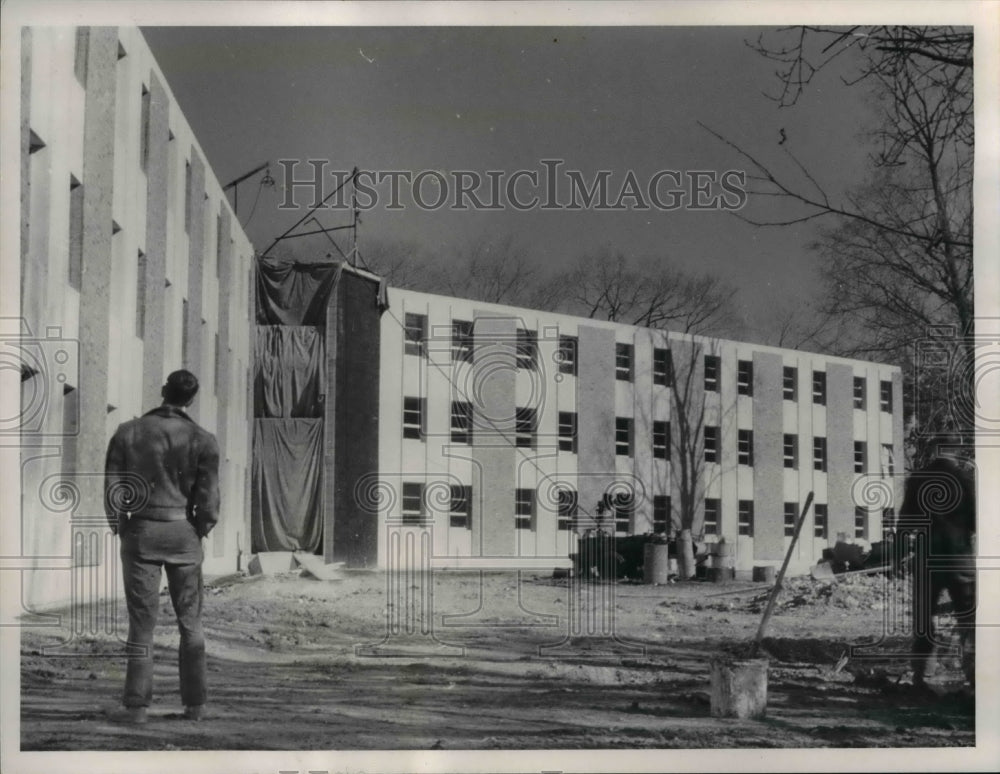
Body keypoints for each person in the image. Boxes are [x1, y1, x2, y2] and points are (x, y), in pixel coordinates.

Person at [104, 370, 220, 724]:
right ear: (191, 400)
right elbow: (209, 499)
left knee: (142, 623)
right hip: (182, 533)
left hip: (140, 531)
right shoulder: (203, 439)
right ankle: (195, 706)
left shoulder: (128, 431)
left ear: (161, 391)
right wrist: (199, 529)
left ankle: (137, 709)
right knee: (191, 621)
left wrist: (121, 525)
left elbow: (113, 488)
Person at [897, 438, 976, 691]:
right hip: (959, 558)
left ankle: (924, 675)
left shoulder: (919, 479)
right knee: (969, 617)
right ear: (956, 452)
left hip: (927, 558)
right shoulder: (965, 479)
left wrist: (899, 554)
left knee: (923, 618)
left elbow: (905, 521)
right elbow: (978, 520)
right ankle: (976, 676)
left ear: (934, 450)